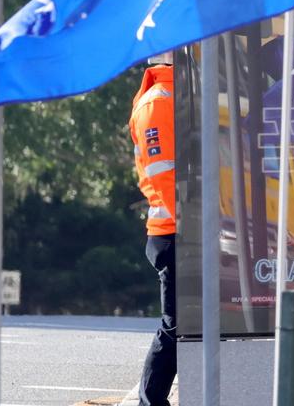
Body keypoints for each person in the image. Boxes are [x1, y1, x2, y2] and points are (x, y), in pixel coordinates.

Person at [130, 56, 177, 406]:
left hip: (180, 229)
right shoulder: (158, 100)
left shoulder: (175, 94)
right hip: (175, 231)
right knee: (175, 328)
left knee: (181, 327)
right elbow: (163, 175)